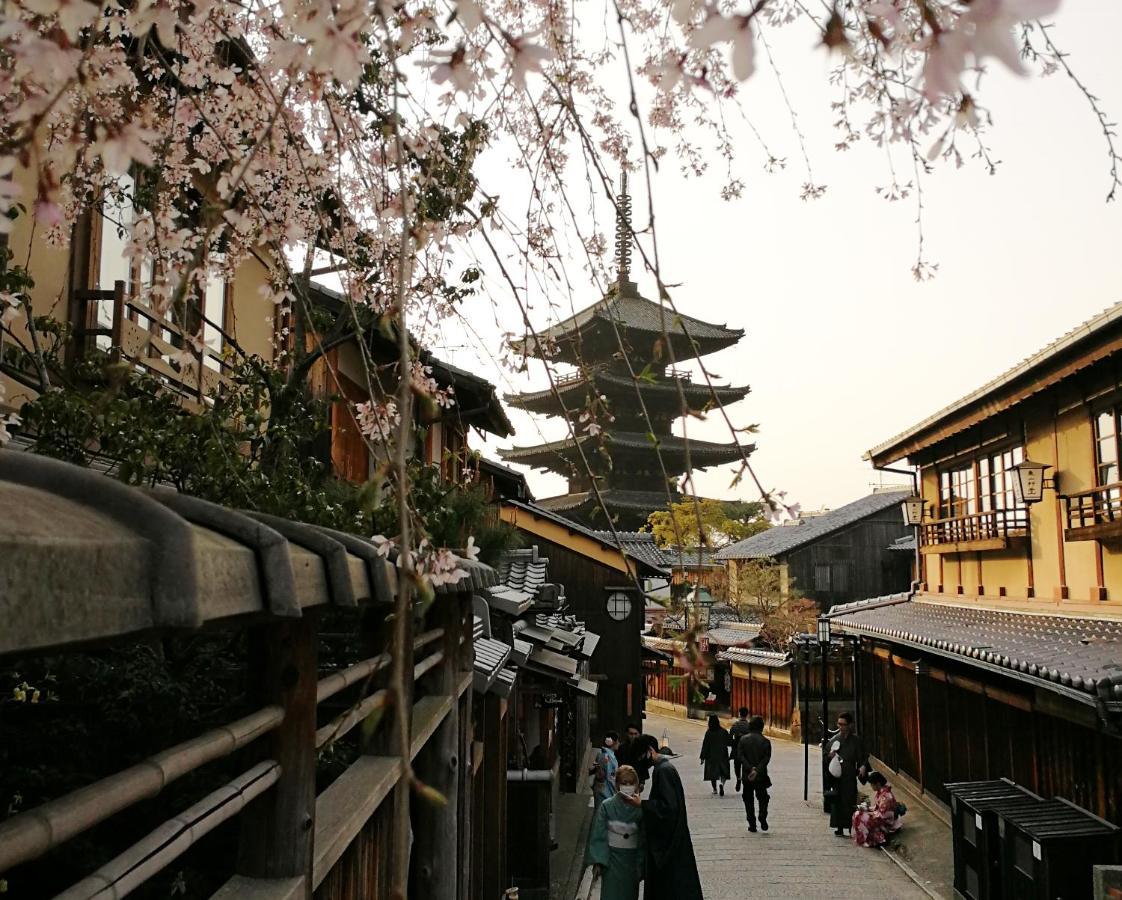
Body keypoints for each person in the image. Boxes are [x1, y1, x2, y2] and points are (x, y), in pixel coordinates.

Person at [619, 734, 703, 900]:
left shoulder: (663, 771)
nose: (643, 761)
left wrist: (642, 805)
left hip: (669, 842)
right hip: (673, 838)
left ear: (650, 751)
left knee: (670, 886)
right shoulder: (663, 768)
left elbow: (668, 808)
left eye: (643, 755)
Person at [585, 765, 645, 900]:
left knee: (629, 894)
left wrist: (641, 863)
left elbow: (643, 838)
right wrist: (599, 861)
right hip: (612, 859)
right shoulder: (607, 806)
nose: (628, 786)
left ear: (636, 785)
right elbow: (599, 833)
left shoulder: (641, 808)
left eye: (631, 783)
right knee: (611, 894)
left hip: (632, 859)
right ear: (617, 785)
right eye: (624, 783)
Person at [824, 710, 868, 836]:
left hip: (849, 774)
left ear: (850, 725)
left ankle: (850, 825)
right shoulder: (834, 740)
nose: (840, 727)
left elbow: (863, 756)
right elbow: (826, 755)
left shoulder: (856, 741)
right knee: (837, 801)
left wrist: (863, 766)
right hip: (837, 775)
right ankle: (838, 826)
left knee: (849, 800)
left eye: (843, 724)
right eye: (839, 724)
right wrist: (829, 756)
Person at [737, 715, 772, 832]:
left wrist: (750, 768)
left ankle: (752, 823)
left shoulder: (743, 740)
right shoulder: (766, 742)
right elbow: (766, 759)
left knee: (748, 799)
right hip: (760, 776)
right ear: (761, 727)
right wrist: (757, 770)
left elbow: (741, 757)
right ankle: (762, 816)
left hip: (747, 776)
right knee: (763, 798)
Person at [851, 771, 903, 848]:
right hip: (881, 816)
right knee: (858, 813)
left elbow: (883, 815)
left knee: (859, 815)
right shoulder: (882, 793)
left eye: (872, 784)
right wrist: (866, 809)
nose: (871, 786)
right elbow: (877, 807)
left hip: (886, 822)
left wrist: (869, 813)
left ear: (878, 784)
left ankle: (869, 839)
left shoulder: (886, 796)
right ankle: (862, 837)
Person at [699, 713, 731, 795]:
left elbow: (705, 745)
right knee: (723, 772)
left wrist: (702, 757)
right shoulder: (723, 731)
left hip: (711, 756)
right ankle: (722, 784)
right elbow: (729, 742)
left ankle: (715, 789)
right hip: (723, 755)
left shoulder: (708, 733)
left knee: (713, 773)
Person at [591, 731, 619, 810]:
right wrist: (616, 790)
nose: (619, 743)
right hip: (605, 790)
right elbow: (610, 777)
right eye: (617, 741)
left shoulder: (602, 754)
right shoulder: (607, 757)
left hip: (601, 788)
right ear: (613, 742)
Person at [728, 707, 752, 792]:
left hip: (737, 749)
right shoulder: (750, 726)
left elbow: (730, 737)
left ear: (739, 714)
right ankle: (746, 781)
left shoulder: (735, 725)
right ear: (747, 714)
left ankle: (738, 778)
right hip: (747, 750)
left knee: (737, 765)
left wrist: (732, 744)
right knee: (746, 766)